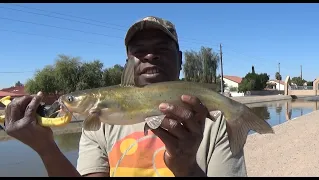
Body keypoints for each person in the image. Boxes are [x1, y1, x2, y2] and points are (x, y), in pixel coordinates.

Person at [3, 16, 247, 177]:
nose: (150, 56)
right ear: (128, 64)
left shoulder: (215, 121)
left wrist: (187, 169)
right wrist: (46, 148)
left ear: (181, 59)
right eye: (139, 52)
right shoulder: (98, 124)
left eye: (161, 49)